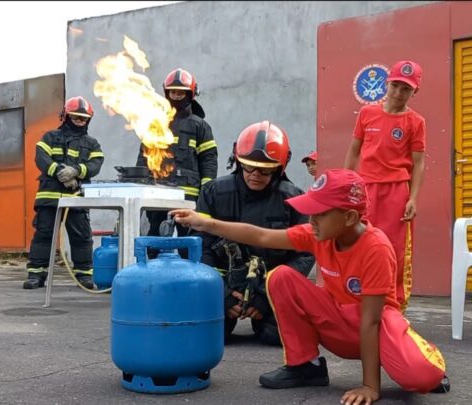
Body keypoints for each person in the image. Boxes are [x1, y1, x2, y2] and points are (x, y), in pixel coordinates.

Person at [170, 168, 449, 403]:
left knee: (421, 378)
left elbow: (372, 322)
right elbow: (262, 236)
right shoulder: (319, 235)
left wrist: (370, 387)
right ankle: (305, 366)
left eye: (319, 214)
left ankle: (425, 355)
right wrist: (204, 223)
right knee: (281, 277)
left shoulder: (376, 248)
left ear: (350, 217)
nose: (311, 220)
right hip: (339, 320)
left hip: (375, 327)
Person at [194, 121, 315, 345]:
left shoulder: (295, 200)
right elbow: (200, 246)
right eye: (249, 167)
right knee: (209, 336)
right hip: (221, 285)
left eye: (265, 170)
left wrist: (265, 296)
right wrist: (222, 294)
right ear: (238, 161)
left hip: (269, 287)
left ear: (280, 167)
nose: (255, 175)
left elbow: (305, 255)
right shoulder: (213, 193)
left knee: (276, 336)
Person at [344, 60, 426, 312]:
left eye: (406, 89)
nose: (399, 93)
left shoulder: (416, 122)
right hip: (366, 189)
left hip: (396, 191)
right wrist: (345, 185)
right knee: (358, 243)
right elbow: (354, 150)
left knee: (395, 250)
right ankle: (354, 299)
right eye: (396, 86)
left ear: (415, 92)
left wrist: (413, 198)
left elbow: (419, 163)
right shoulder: (367, 113)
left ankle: (395, 305)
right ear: (386, 83)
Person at [23, 96, 105, 290]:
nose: (79, 120)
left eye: (83, 118)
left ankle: (84, 275)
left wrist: (77, 171)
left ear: (88, 120)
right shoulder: (50, 137)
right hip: (49, 197)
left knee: (81, 237)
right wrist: (60, 172)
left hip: (76, 198)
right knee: (44, 235)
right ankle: (36, 274)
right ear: (66, 116)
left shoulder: (92, 144)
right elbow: (41, 158)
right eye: (75, 116)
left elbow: (96, 164)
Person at [136, 68, 217, 241]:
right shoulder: (156, 124)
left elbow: (208, 160)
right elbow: (144, 156)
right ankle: (153, 267)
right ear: (167, 93)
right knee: (155, 238)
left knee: (188, 239)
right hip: (157, 193)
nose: (177, 96)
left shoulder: (200, 126)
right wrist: (139, 182)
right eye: (173, 92)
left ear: (190, 94)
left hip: (187, 197)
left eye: (181, 92)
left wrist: (206, 191)